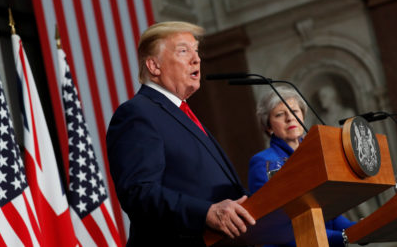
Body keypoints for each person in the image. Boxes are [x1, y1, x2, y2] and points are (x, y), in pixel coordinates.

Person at [106, 21, 255, 246]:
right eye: (183, 51)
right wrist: (206, 213)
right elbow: (139, 193)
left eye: (196, 51)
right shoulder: (137, 114)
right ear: (154, 66)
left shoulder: (183, 115)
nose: (196, 59)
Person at [248, 86, 355, 247]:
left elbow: (330, 213)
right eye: (279, 114)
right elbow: (276, 227)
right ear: (268, 127)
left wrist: (363, 228)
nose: (290, 118)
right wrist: (344, 237)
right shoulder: (263, 162)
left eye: (294, 111)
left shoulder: (317, 155)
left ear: (303, 116)